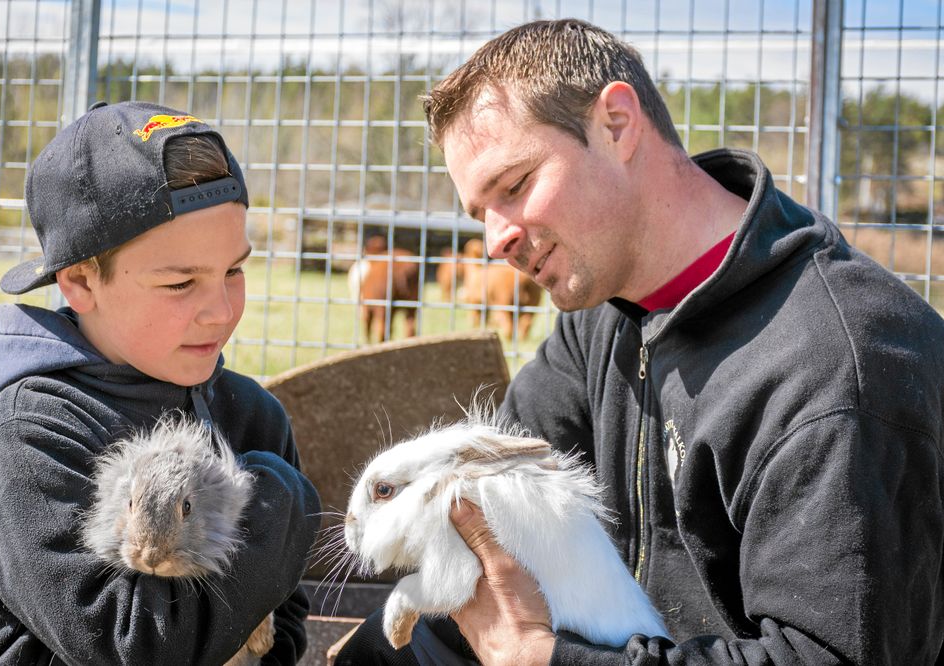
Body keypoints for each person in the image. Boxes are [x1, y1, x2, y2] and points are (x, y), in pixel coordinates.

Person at [335, 18, 944, 665]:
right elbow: (486, 543)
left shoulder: (836, 371)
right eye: (480, 212)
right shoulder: (601, 317)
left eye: (513, 186)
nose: (495, 241)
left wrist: (546, 660)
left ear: (618, 125)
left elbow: (827, 654)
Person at [0, 101, 321, 663]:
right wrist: (280, 500)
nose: (221, 311)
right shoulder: (28, 438)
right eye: (180, 283)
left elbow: (283, 619)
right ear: (80, 282)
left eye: (234, 271)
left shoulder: (252, 415)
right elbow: (131, 646)